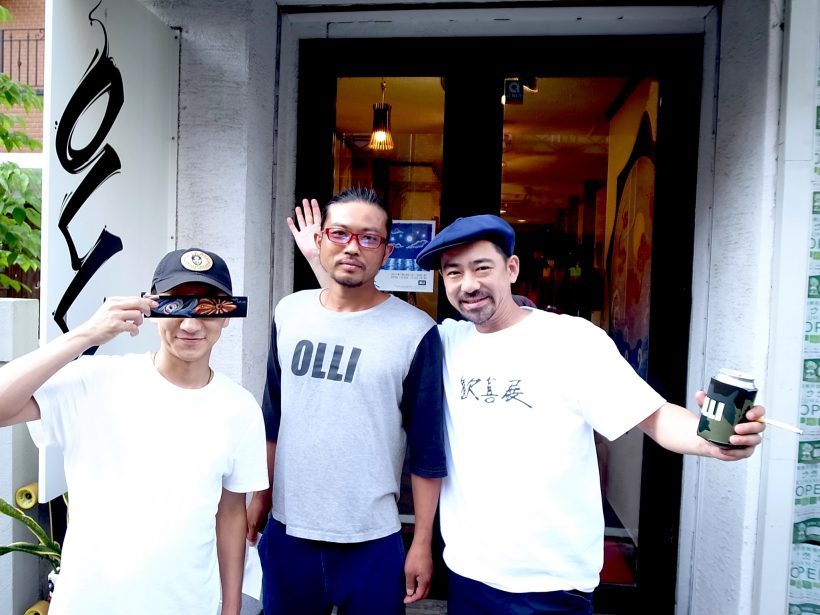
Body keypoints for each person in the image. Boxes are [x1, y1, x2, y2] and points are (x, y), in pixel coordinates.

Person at [289, 204, 766, 615]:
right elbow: (368, 323)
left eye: (482, 268)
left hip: (551, 583)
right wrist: (321, 261)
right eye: (453, 273)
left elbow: (655, 417)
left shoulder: (571, 341)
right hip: (469, 573)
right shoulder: (443, 343)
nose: (468, 284)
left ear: (512, 268)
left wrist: (710, 441)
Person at [0, 248, 268, 615]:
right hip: (88, 605)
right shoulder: (94, 381)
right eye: (175, 305)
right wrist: (86, 334)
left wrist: (231, 609)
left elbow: (232, 515)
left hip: (188, 605)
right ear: (151, 308)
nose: (190, 324)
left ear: (227, 317)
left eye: (208, 306)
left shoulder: (240, 409)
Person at [246, 187, 446, 615]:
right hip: (289, 532)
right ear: (320, 240)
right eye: (340, 233)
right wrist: (261, 499)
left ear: (387, 252)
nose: (352, 247)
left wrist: (422, 542)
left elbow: (427, 450)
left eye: (368, 237)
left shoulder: (415, 332)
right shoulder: (290, 312)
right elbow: (273, 417)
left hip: (372, 540)